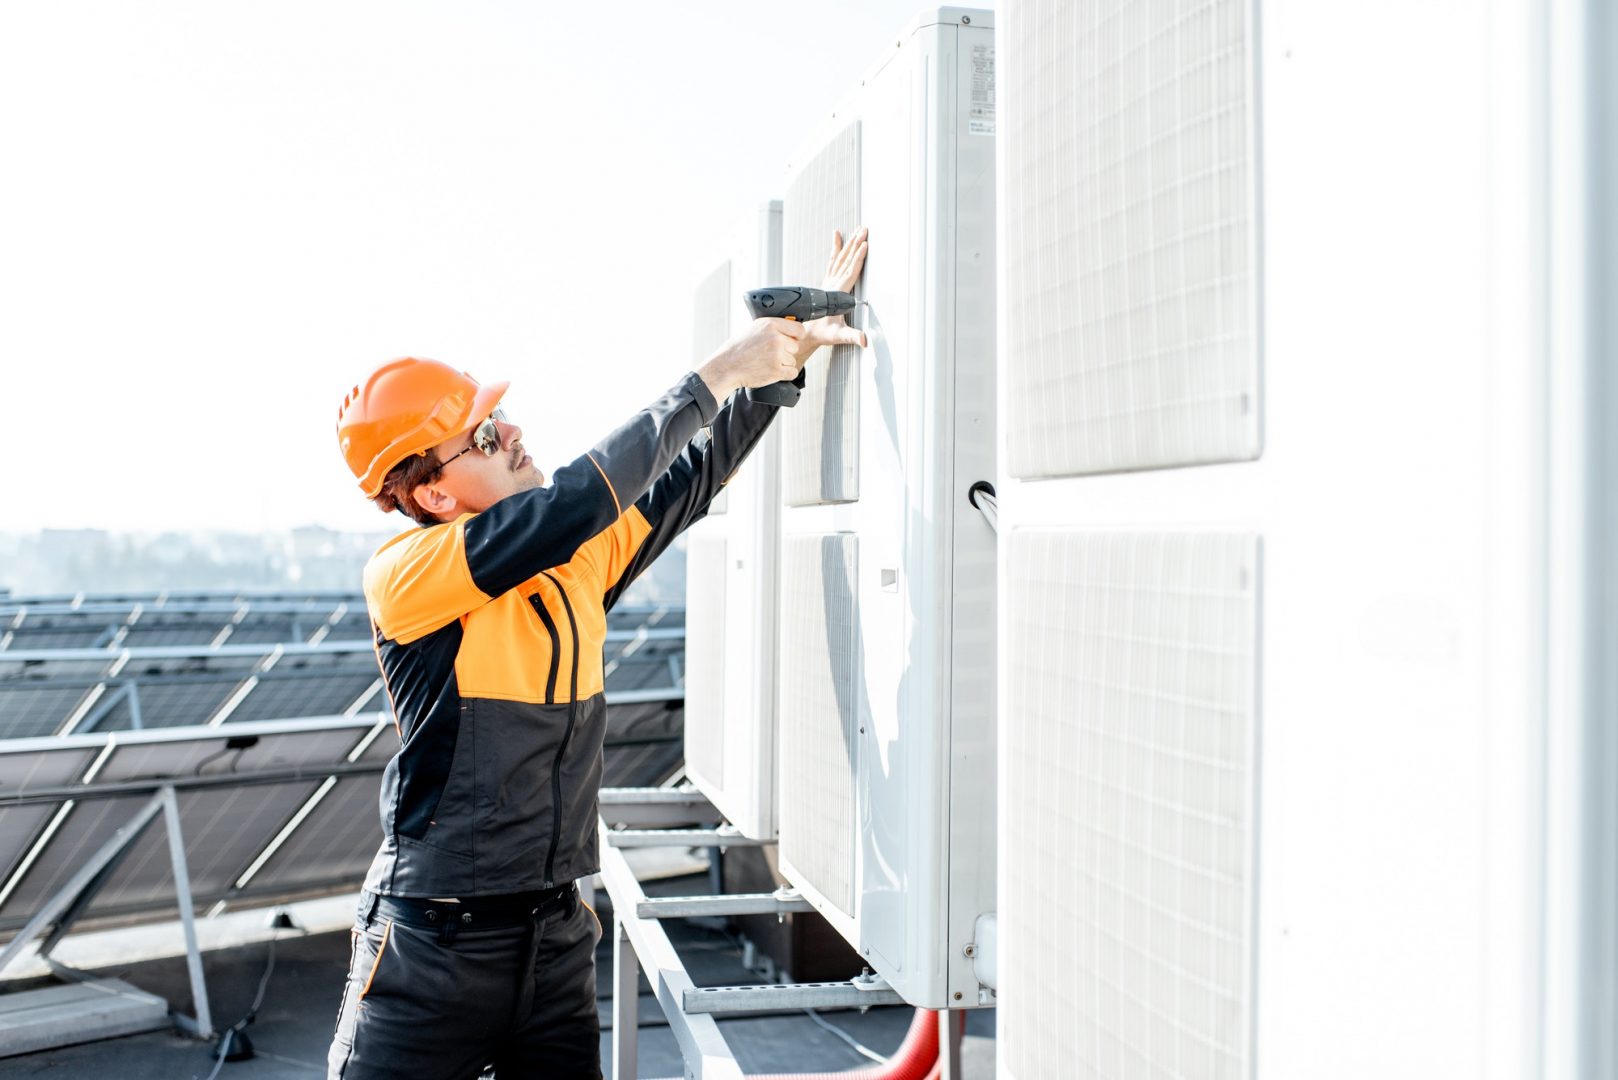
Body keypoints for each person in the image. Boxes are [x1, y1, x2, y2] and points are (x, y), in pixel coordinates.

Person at [326, 228, 868, 1079]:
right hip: (431, 951)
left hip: (553, 945)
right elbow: (576, 502)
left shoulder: (573, 558)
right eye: (483, 433)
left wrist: (779, 368)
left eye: (497, 417)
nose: (511, 433)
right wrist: (717, 371)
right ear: (433, 491)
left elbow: (687, 478)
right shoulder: (406, 574)